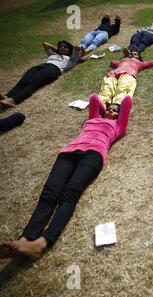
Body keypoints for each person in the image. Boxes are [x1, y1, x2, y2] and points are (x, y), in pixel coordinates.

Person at [0, 94, 133, 261]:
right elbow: (93, 99)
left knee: (70, 194)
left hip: (93, 155)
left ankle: (41, 243)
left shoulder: (119, 125)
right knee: (49, 193)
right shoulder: (92, 119)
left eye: (115, 111)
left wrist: (117, 108)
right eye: (109, 108)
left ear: (119, 115)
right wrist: (105, 106)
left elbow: (127, 102)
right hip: (68, 153)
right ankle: (24, 241)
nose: (111, 111)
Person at [0, 41, 81, 108]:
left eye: (65, 47)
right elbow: (45, 44)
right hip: (42, 66)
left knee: (33, 83)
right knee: (23, 81)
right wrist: (58, 51)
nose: (62, 48)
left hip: (53, 69)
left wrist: (63, 51)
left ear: (70, 50)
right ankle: (7, 97)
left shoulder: (71, 59)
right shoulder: (53, 55)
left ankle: (14, 100)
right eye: (60, 46)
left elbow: (77, 47)